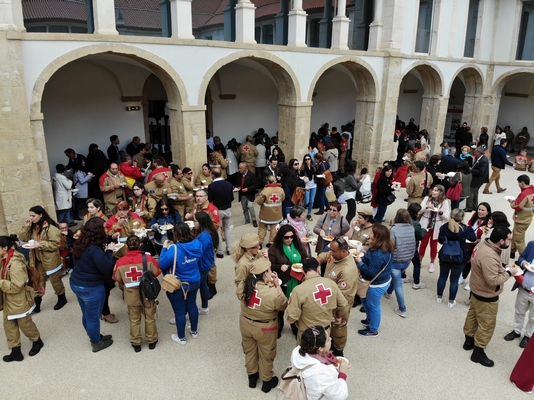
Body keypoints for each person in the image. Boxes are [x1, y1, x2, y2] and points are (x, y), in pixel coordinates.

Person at [463, 226, 521, 367]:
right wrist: (510, 273)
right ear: (501, 241)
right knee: (487, 324)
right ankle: (478, 353)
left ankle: (468, 342)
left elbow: (488, 266)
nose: (510, 241)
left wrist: (503, 266)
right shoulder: (489, 255)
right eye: (509, 239)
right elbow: (493, 281)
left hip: (476, 290)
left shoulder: (484, 243)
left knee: (472, 316)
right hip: (486, 295)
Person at [236, 258, 287, 393]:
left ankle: (252, 378)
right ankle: (267, 382)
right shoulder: (272, 292)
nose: (271, 273)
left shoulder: (244, 284)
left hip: (245, 323)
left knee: (249, 351)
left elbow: (239, 294)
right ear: (265, 274)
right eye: (269, 271)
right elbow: (283, 304)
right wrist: (277, 285)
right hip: (265, 328)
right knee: (267, 354)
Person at [70, 218, 115, 352]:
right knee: (93, 318)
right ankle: (96, 343)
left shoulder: (81, 242)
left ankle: (94, 336)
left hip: (76, 283)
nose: (106, 230)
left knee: (86, 313)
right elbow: (106, 267)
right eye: (104, 228)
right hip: (91, 287)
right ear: (98, 231)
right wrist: (109, 251)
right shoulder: (94, 249)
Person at [113, 235, 161, 352]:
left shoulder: (120, 262)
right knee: (150, 318)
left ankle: (136, 343)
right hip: (147, 295)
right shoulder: (148, 259)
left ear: (126, 246)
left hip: (131, 296)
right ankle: (152, 340)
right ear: (140, 244)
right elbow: (157, 272)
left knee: (134, 320)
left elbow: (117, 278)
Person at [0, 235, 43, 362]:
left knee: (25, 325)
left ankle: (37, 341)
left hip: (19, 300)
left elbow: (17, 286)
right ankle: (15, 351)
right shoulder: (4, 258)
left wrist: (0, 283)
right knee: (9, 326)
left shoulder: (16, 263)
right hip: (8, 300)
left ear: (4, 248)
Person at [159, 223, 203, 345]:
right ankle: (194, 331)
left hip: (178, 284)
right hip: (194, 280)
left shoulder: (174, 249)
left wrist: (164, 248)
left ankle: (181, 338)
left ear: (176, 234)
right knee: (192, 305)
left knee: (179, 311)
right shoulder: (197, 244)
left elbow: (162, 264)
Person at [285, 257, 348, 343]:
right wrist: (338, 316)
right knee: (323, 351)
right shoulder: (331, 284)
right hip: (325, 332)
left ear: (302, 270)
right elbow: (343, 305)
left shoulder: (298, 290)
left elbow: (291, 318)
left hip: (307, 335)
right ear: (318, 268)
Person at [18, 205, 66, 313]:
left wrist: (40, 244)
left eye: (33, 216)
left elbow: (55, 244)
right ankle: (38, 303)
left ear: (40, 215)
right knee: (38, 280)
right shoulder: (32, 227)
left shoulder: (50, 228)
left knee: (55, 280)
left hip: (50, 259)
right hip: (37, 258)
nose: (31, 218)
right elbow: (24, 238)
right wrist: (25, 227)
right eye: (30, 216)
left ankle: (62, 298)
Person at [317, 237, 358, 356]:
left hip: (340, 303)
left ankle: (338, 349)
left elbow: (342, 298)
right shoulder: (335, 254)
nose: (331, 253)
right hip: (329, 298)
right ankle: (330, 341)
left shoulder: (347, 271)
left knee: (339, 326)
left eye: (333, 251)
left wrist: (338, 314)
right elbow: (322, 257)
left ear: (343, 251)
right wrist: (317, 264)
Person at [268, 224, 308, 337]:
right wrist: (279, 267)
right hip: (282, 282)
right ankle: (279, 328)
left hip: (297, 280)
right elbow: (270, 265)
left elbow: (305, 258)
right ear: (281, 237)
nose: (289, 239)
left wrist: (303, 265)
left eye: (291, 237)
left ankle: (295, 328)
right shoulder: (274, 249)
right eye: (286, 237)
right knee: (280, 308)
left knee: (296, 307)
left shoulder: (298, 245)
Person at [290, 325, 350, 400]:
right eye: (328, 339)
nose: (331, 338)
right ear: (320, 348)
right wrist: (342, 373)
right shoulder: (322, 373)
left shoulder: (297, 350)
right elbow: (339, 396)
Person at [355, 224, 394, 337]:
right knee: (367, 302)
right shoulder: (387, 246)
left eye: (372, 233)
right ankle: (369, 319)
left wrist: (360, 263)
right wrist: (366, 253)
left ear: (377, 237)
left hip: (376, 284)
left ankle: (373, 330)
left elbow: (371, 272)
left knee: (373, 306)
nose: (369, 234)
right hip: (384, 280)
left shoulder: (377, 253)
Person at [436, 209, 476, 308]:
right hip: (459, 257)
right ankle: (451, 301)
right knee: (454, 280)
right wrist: (467, 226)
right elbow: (473, 238)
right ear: (462, 218)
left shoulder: (444, 227)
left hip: (445, 256)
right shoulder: (465, 229)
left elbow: (440, 241)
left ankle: (439, 297)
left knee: (442, 276)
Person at [385, 209, 416, 318]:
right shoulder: (411, 228)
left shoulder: (394, 230)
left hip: (396, 261)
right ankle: (389, 292)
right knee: (396, 278)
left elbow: (390, 245)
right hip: (407, 259)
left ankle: (402, 309)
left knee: (398, 284)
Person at [504, 240, 534, 349]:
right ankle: (516, 331)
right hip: (523, 288)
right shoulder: (532, 245)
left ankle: (528, 336)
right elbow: (521, 258)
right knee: (519, 311)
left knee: (533, 318)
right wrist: (523, 263)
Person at [418, 185, 451, 273]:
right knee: (423, 244)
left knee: (434, 246)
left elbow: (447, 218)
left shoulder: (445, 202)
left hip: (436, 226)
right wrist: (426, 207)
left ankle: (432, 263)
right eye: (433, 190)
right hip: (426, 225)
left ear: (441, 192)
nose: (433, 192)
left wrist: (441, 213)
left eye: (436, 190)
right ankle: (419, 261)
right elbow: (419, 211)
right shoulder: (427, 199)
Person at [460, 202, 492, 290]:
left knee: (476, 265)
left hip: (480, 245)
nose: (480, 212)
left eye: (483, 210)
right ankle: (463, 277)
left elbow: (486, 235)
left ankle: (472, 283)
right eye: (479, 209)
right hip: (470, 242)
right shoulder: (475, 216)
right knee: (467, 261)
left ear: (488, 212)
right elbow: (470, 225)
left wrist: (478, 240)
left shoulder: (489, 222)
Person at [194, 212, 219, 313]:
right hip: (206, 264)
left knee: (193, 289)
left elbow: (198, 251)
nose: (193, 223)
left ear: (201, 222)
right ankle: (204, 307)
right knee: (203, 285)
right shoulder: (206, 232)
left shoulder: (204, 236)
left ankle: (190, 311)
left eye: (195, 221)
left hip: (202, 265)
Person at [207, 168, 234, 257]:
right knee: (226, 228)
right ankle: (229, 248)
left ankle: (220, 251)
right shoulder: (228, 184)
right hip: (228, 209)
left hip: (217, 210)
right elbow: (232, 198)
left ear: (213, 175)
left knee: (217, 230)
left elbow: (210, 200)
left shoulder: (211, 186)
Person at [507, 174, 534, 259]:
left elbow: (517, 206)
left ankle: (524, 258)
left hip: (521, 220)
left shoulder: (524, 194)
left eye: (518, 183)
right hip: (528, 218)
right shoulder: (532, 190)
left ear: (522, 183)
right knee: (515, 234)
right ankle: (512, 251)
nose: (518, 184)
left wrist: (511, 202)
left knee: (519, 240)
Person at [256, 175, 285, 247]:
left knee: (262, 228)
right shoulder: (281, 190)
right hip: (276, 214)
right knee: (274, 229)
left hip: (265, 214)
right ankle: (271, 243)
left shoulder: (265, 190)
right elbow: (283, 198)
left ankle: (260, 243)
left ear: (268, 181)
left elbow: (259, 201)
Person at [465, 147, 489, 212]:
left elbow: (481, 171)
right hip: (478, 178)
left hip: (478, 179)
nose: (474, 152)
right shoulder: (480, 158)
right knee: (475, 193)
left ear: (479, 152)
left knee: (471, 192)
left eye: (475, 152)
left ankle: (469, 207)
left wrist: (471, 170)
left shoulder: (483, 160)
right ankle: (474, 206)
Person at [237, 162, 259, 227]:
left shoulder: (252, 175)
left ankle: (254, 220)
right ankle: (247, 221)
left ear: (245, 168)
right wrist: (236, 187)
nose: (239, 169)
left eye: (240, 168)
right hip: (242, 195)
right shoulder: (238, 174)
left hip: (249, 194)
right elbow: (236, 183)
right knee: (244, 209)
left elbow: (256, 184)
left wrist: (248, 189)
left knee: (250, 206)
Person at [300, 154, 318, 219]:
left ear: (311, 159)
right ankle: (300, 209)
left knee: (311, 201)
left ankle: (309, 213)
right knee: (307, 201)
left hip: (313, 185)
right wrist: (304, 178)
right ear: (304, 160)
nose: (307, 160)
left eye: (308, 159)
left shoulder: (314, 167)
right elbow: (300, 177)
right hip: (307, 186)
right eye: (306, 159)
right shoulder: (303, 168)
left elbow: (316, 174)